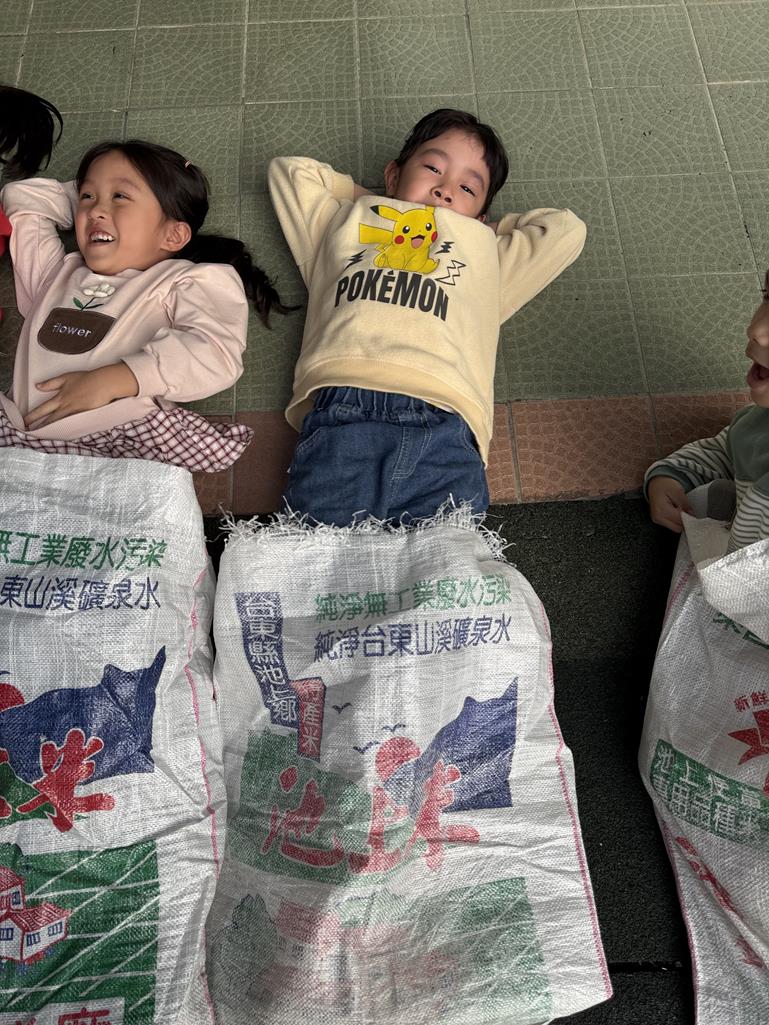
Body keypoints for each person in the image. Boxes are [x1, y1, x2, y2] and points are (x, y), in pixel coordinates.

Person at [268, 108, 586, 525]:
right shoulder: (345, 225)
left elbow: (565, 230)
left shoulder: (484, 257)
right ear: (393, 174)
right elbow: (290, 172)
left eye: (467, 189)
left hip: (447, 422)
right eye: (433, 168)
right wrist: (381, 205)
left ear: (481, 217)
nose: (444, 190)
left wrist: (470, 230)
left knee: (446, 559)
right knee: (317, 553)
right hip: (342, 409)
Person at [0, 139, 291, 471]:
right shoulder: (54, 276)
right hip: (17, 440)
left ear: (173, 235)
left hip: (119, 436)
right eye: (87, 196)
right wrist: (93, 198)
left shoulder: (189, 279)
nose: (95, 210)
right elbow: (23, 198)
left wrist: (115, 379)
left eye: (120, 196)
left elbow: (215, 353)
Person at [646, 279, 769, 551]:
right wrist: (669, 476)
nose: (756, 331)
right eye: (767, 296)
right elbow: (727, 451)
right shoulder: (758, 423)